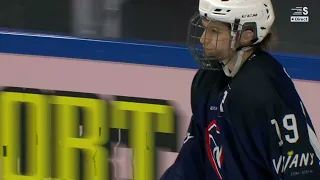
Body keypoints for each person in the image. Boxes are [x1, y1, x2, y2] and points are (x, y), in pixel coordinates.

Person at [160, 0, 320, 179]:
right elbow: (192, 161)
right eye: (206, 28)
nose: (204, 39)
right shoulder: (207, 80)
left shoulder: (263, 89)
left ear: (246, 35)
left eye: (215, 31)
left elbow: (301, 171)